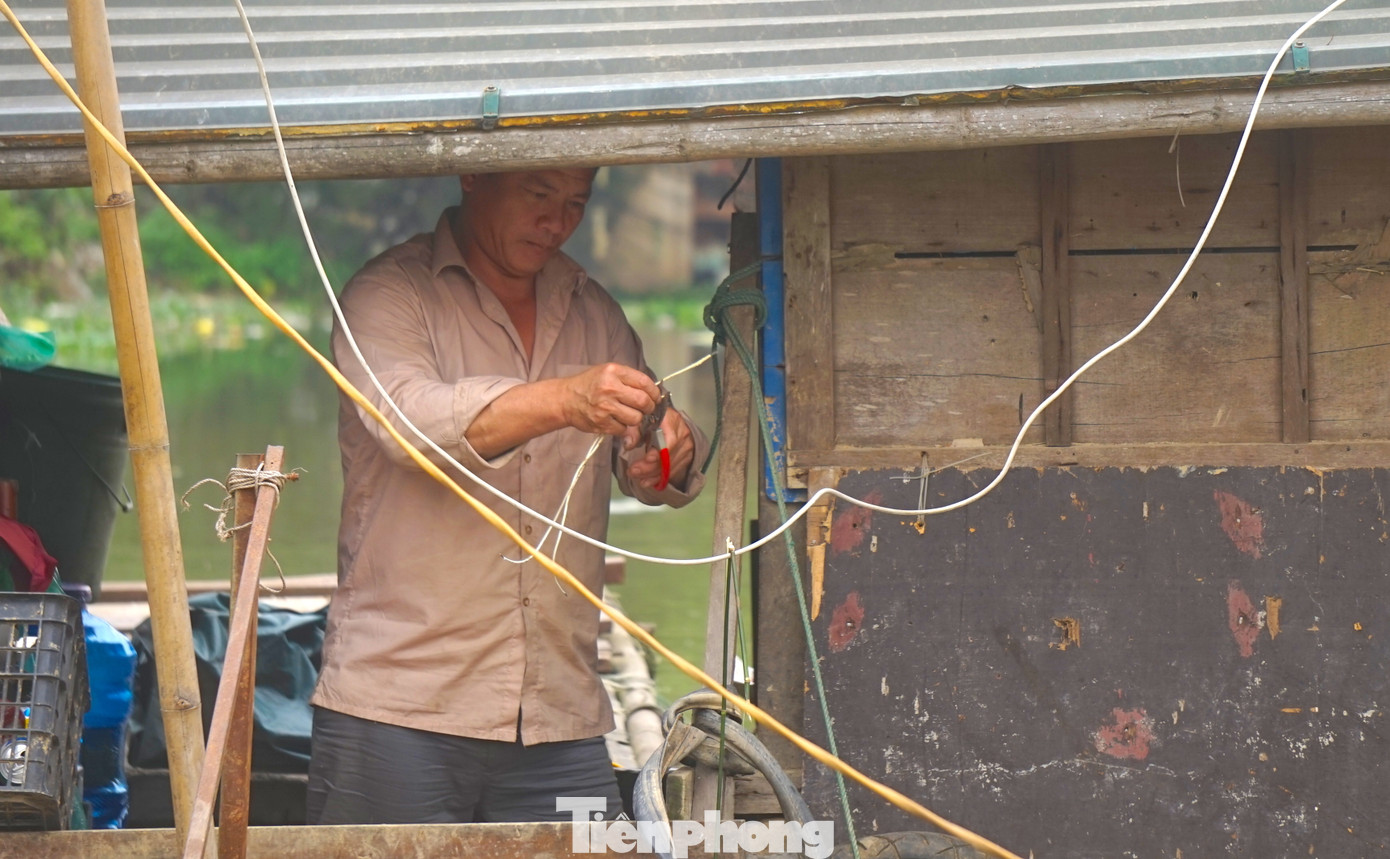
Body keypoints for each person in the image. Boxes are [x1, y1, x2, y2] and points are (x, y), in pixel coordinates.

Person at [307, 168, 708, 824]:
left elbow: (649, 466)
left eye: (575, 203)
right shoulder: (388, 293)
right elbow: (410, 425)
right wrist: (565, 399)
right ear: (475, 176)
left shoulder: (593, 311)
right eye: (539, 194)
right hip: (399, 709)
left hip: (560, 714)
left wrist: (665, 454)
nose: (557, 221)